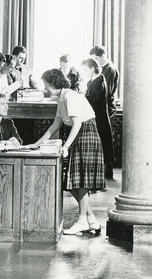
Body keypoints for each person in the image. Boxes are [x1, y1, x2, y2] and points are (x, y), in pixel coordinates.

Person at [32, 68, 104, 235]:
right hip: (79, 136)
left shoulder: (70, 96)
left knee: (81, 181)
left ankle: (81, 221)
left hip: (87, 134)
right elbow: (55, 126)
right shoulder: (61, 98)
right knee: (72, 181)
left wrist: (65, 147)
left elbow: (77, 124)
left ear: (53, 84)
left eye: (46, 84)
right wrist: (35, 144)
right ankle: (90, 219)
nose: (45, 88)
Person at [80, 57, 114, 180]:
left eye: (86, 70)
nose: (84, 73)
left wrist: (82, 98)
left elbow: (93, 100)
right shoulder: (92, 82)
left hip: (100, 118)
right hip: (95, 116)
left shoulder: (100, 82)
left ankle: (104, 173)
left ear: (93, 68)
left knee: (103, 145)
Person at [89, 45, 119, 179]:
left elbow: (106, 93)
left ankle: (108, 171)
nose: (95, 62)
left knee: (106, 139)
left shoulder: (110, 70)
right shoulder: (103, 70)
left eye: (96, 58)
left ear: (103, 56)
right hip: (101, 108)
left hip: (107, 109)